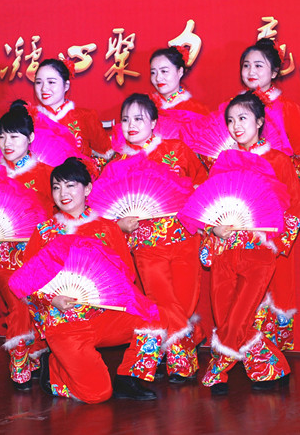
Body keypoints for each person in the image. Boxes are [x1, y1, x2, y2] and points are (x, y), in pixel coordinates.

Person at [9, 157, 163, 403]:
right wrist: (52, 299)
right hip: (64, 323)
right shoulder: (44, 232)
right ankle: (55, 370)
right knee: (97, 395)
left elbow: (126, 274)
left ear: (88, 188)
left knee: (153, 318)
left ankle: (128, 378)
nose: (63, 193)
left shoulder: (107, 228)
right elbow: (28, 283)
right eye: (57, 187)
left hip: (104, 315)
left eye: (70, 185)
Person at [201, 92, 300, 395]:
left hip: (258, 252)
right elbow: (209, 204)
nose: (236, 126)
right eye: (231, 120)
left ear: (259, 122)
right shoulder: (223, 162)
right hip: (224, 250)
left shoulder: (278, 161)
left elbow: (294, 210)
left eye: (243, 118)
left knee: (240, 314)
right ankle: (273, 368)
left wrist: (273, 244)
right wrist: (213, 229)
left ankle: (218, 369)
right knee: (224, 314)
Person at [111, 93, 208, 383]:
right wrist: (121, 224)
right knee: (163, 302)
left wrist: (197, 214)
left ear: (154, 122)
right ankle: (183, 364)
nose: (131, 125)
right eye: (125, 119)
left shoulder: (177, 150)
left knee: (184, 304)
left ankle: (191, 337)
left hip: (184, 240)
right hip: (147, 246)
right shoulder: (118, 163)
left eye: (138, 118)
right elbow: (105, 207)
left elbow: (202, 184)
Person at [0, 99, 53, 390]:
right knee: (18, 304)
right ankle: (19, 366)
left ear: (30, 138)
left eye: (14, 136)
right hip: (5, 258)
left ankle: (36, 356)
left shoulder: (47, 175)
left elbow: (62, 216)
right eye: (2, 136)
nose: (7, 143)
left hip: (39, 256)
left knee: (38, 307)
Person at [240, 38, 300, 352]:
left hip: (276, 203)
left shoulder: (287, 109)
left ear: (274, 71)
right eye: (246, 65)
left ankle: (274, 352)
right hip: (241, 205)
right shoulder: (234, 108)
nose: (251, 71)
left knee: (278, 276)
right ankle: (248, 345)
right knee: (244, 275)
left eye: (259, 65)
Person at [33, 58, 113, 160]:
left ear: (66, 85)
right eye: (38, 82)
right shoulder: (30, 119)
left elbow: (106, 152)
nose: (44, 88)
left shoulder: (85, 117)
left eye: (51, 82)